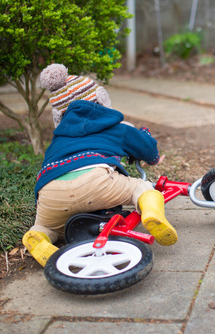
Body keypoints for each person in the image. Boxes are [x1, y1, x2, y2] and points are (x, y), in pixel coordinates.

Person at [22, 64, 178, 267]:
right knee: (141, 188)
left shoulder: (57, 140)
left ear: (59, 116)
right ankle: (151, 213)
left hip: (50, 190)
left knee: (45, 225)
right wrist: (154, 158)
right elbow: (145, 145)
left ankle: (37, 238)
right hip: (95, 181)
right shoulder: (116, 127)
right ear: (100, 99)